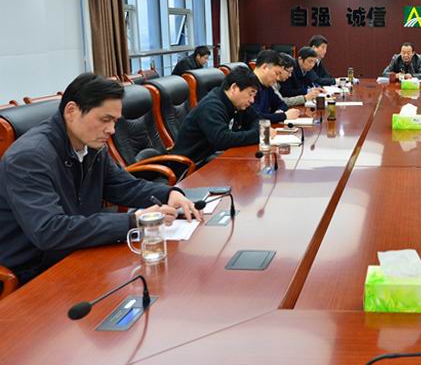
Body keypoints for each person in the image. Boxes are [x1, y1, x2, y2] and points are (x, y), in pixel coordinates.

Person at [0, 74, 200, 285]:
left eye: (115, 121)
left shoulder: (91, 146)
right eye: (105, 120)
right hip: (34, 271)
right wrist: (134, 221)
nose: (111, 130)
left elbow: (123, 186)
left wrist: (169, 194)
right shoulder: (29, 157)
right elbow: (49, 230)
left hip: (78, 250)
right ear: (71, 111)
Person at [172, 66, 261, 165]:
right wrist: (258, 134)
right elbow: (222, 140)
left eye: (254, 96)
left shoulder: (238, 103)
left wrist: (258, 131)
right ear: (234, 88)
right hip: (192, 165)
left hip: (213, 158)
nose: (252, 100)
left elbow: (256, 119)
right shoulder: (211, 106)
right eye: (250, 94)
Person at [252, 50, 303, 123]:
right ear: (265, 68)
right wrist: (283, 116)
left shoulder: (267, 85)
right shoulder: (249, 86)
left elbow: (282, 104)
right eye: (276, 73)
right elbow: (255, 117)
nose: (277, 78)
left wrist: (280, 111)